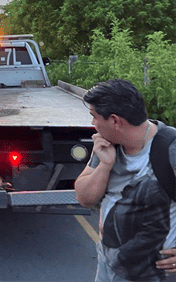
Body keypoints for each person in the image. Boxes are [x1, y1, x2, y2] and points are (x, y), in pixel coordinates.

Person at [75, 79, 176, 282]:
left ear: (115, 121)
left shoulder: (170, 149)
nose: (93, 124)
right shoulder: (107, 145)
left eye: (94, 117)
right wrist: (104, 165)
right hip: (108, 271)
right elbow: (84, 197)